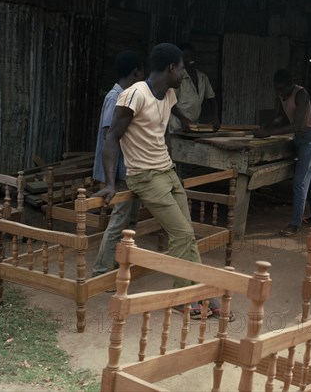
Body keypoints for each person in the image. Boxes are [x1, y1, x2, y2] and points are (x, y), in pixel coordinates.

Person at [93, 43, 225, 320]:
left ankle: (200, 291)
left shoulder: (169, 94)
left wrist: (168, 157)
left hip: (167, 172)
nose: (184, 74)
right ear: (171, 68)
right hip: (144, 176)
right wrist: (110, 183)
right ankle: (180, 299)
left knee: (187, 232)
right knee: (182, 235)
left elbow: (161, 131)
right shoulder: (133, 95)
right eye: (182, 68)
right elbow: (111, 138)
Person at [91, 50, 144, 279]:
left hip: (130, 169)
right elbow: (108, 135)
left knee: (130, 220)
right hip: (120, 171)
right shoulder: (116, 96)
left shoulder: (127, 95)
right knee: (119, 221)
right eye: (142, 72)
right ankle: (102, 272)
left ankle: (120, 265)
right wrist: (110, 179)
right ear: (135, 72)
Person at [254, 69, 311, 237]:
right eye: (276, 89)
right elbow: (280, 117)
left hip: (308, 137)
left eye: (282, 89)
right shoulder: (281, 94)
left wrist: (269, 133)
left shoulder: (301, 94)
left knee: (300, 180)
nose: (279, 92)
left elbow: (297, 125)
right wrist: (266, 127)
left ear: (290, 84)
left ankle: (294, 224)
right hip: (299, 139)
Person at [168, 43, 220, 132]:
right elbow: (170, 103)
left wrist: (215, 117)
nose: (190, 58)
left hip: (194, 126)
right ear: (180, 60)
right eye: (186, 56)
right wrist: (183, 120)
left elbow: (212, 99)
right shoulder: (178, 78)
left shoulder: (203, 78)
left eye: (192, 55)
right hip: (177, 126)